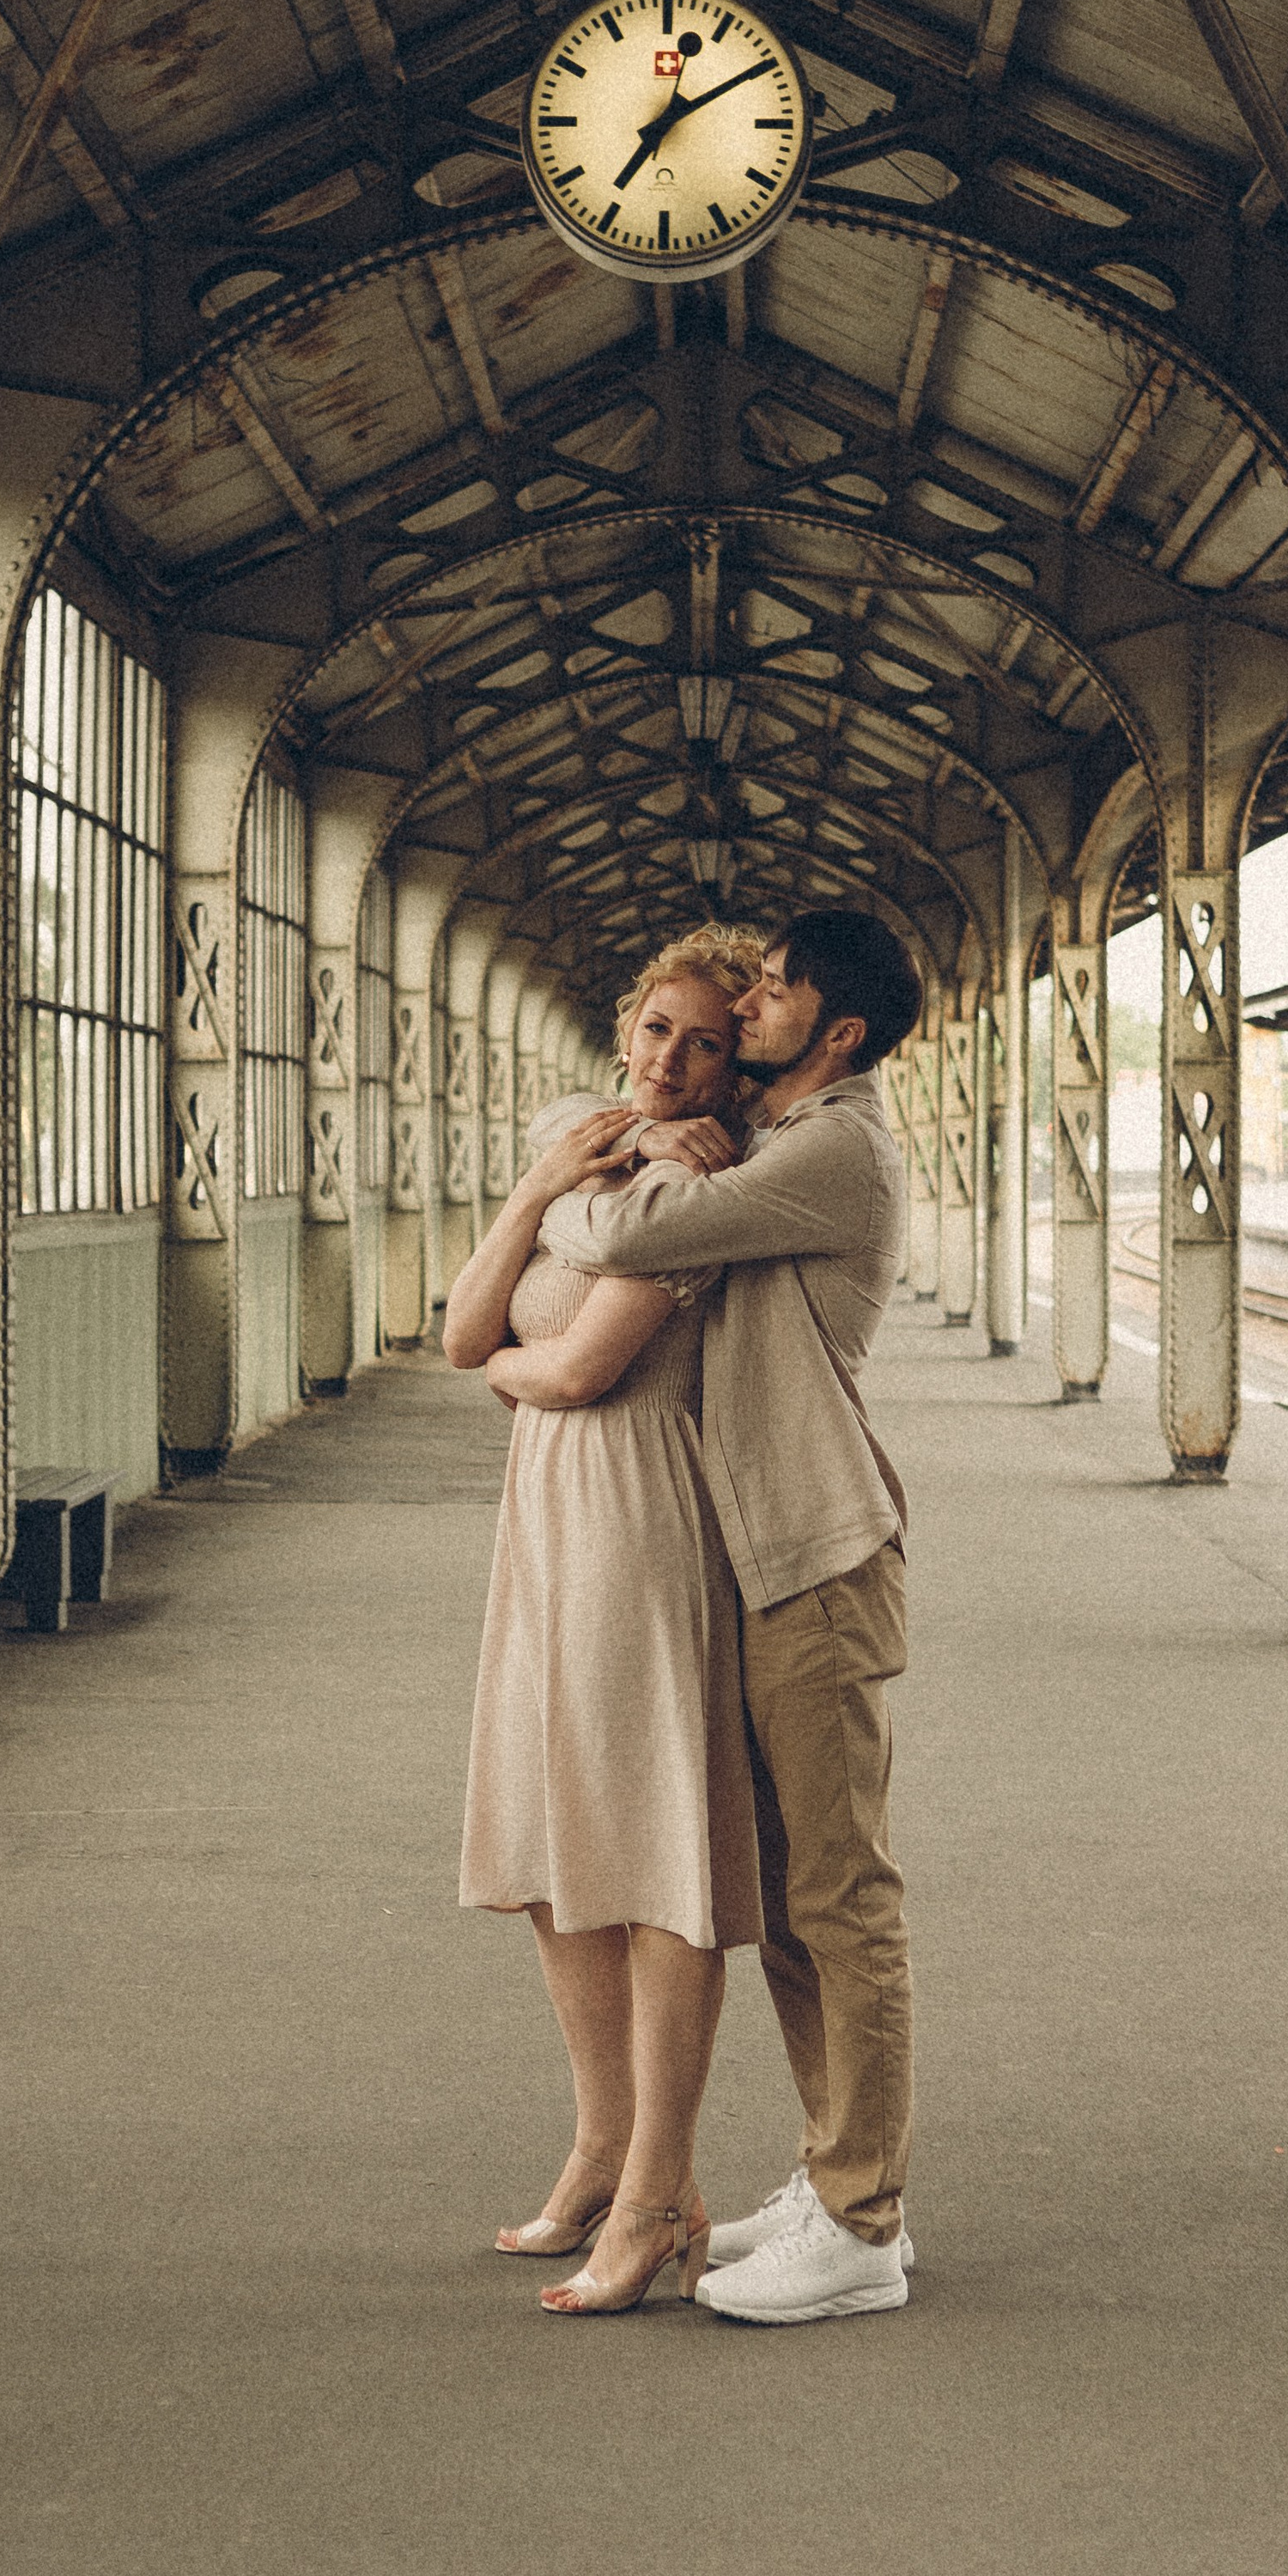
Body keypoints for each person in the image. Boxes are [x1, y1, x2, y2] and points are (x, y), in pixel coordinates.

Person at [532, 910, 923, 2326]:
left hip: (816, 1559)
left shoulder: (830, 1149)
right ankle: (835, 2186)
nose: (746, 1007)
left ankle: (865, 2222)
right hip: (769, 1556)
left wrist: (557, 1178)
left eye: (772, 994)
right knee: (797, 1912)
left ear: (838, 1035)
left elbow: (635, 1229)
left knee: (840, 1898)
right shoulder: (780, 1132)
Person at [444, 923, 767, 2317]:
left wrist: (510, 1359)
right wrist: (544, 1177)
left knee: (651, 1854)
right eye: (655, 1029)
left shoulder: (713, 1182)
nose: (673, 1063)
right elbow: (461, 1333)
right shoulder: (585, 1150)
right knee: (551, 1844)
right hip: (545, 1526)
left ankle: (657, 2192)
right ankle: (596, 2150)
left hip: (641, 1520)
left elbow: (570, 1372)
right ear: (622, 1026)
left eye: (706, 1043)